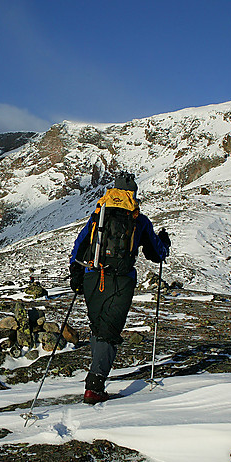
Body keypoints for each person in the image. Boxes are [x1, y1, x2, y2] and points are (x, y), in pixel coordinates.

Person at [68, 172, 170, 404]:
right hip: (121, 280)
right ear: (132, 193)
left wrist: (76, 276)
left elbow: (79, 247)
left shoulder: (98, 215)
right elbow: (156, 254)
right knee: (110, 331)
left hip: (92, 276)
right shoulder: (138, 219)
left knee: (98, 327)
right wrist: (165, 242)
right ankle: (94, 386)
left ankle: (96, 379)